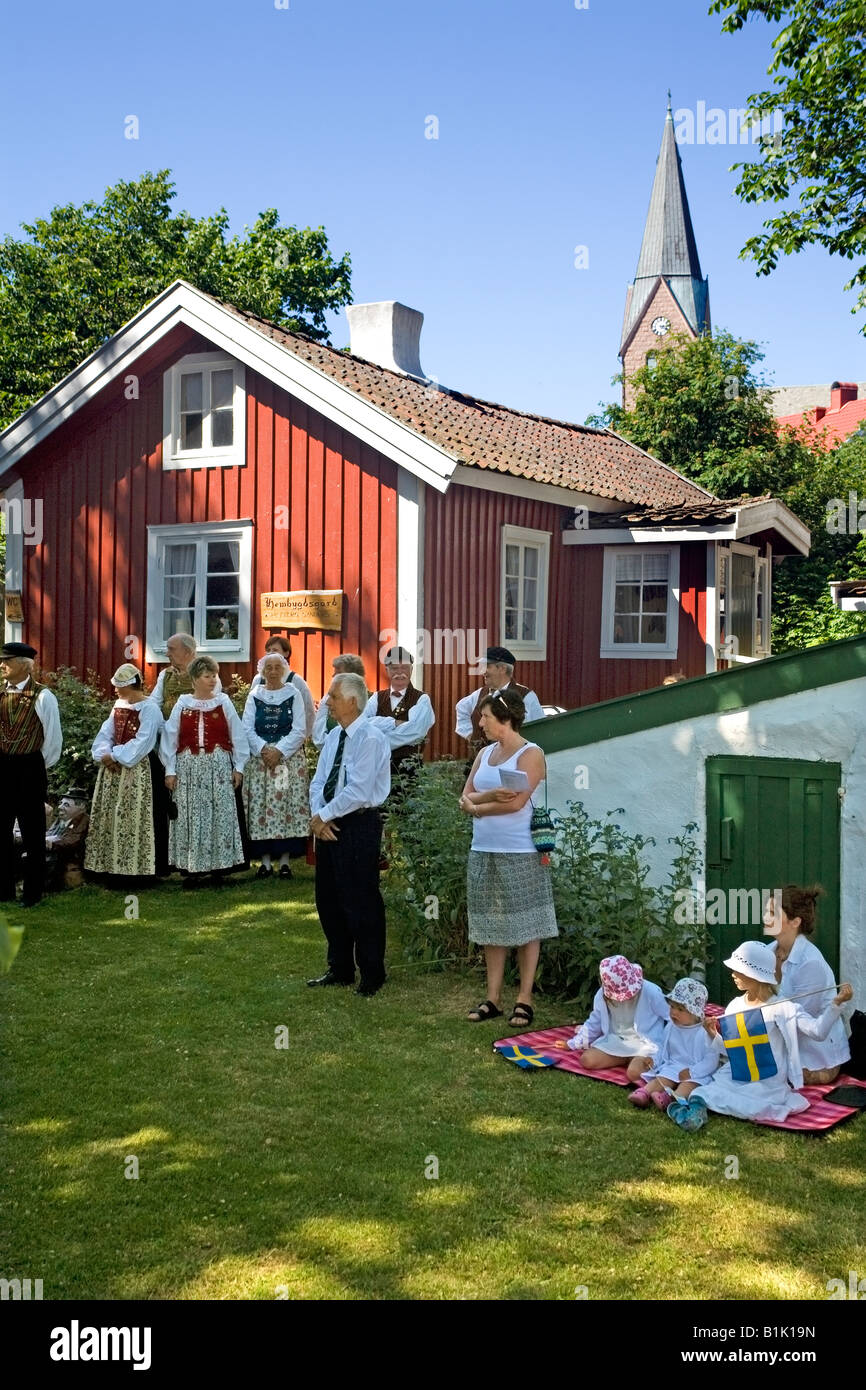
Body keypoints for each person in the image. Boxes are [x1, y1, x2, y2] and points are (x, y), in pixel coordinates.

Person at [459, 688, 557, 1027]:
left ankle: (524, 998)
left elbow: (515, 803)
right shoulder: (484, 753)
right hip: (483, 849)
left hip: (521, 851)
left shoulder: (531, 753)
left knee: (527, 923)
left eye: (485, 716)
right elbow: (466, 795)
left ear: (505, 718)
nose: (481, 722)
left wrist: (476, 807)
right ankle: (493, 997)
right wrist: (482, 800)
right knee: (490, 923)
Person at [692, 941, 853, 1124]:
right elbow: (733, 1051)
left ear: (754, 974)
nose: (733, 975)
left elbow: (817, 1031)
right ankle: (693, 1114)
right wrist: (712, 1033)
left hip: (767, 1082)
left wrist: (836, 1005)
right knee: (702, 1092)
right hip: (741, 1072)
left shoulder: (782, 1007)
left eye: (738, 970)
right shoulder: (735, 1006)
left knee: (754, 1103)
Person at [308, 672, 391, 996]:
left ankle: (372, 972)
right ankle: (339, 967)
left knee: (361, 899)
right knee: (328, 899)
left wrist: (322, 816)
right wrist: (319, 817)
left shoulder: (370, 738)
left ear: (353, 701)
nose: (327, 701)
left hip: (358, 823)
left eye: (333, 696)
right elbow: (319, 781)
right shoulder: (334, 737)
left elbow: (358, 791)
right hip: (328, 824)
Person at [161, 656, 249, 885]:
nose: (212, 680)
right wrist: (170, 770)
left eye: (214, 675)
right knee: (191, 816)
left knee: (218, 814)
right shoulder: (182, 704)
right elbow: (170, 738)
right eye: (207, 676)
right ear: (194, 679)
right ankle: (193, 868)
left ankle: (218, 866)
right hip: (189, 766)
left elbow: (238, 735)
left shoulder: (223, 702)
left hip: (218, 765)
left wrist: (238, 767)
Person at [764, 885, 851, 1085]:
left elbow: (798, 1020)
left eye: (772, 913)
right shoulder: (768, 952)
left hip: (817, 1055)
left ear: (795, 921)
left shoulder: (811, 963)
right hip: (782, 1038)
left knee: (773, 1077)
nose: (765, 918)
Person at [84, 665, 164, 879]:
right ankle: (110, 867)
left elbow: (144, 741)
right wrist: (104, 754)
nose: (116, 690)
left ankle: (137, 869)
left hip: (139, 769)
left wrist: (116, 756)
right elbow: (106, 733)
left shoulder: (150, 708)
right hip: (113, 769)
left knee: (137, 816)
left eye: (120, 686)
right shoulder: (118, 705)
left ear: (131, 684)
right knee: (111, 816)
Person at [0, 641, 63, 908]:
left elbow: (53, 740)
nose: (2, 665)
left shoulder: (43, 696)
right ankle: (4, 890)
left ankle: (33, 893)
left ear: (24, 665)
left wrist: (36, 765)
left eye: (8, 661)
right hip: (1, 767)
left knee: (33, 833)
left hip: (30, 768)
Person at [242, 652, 310, 878]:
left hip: (286, 761)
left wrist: (279, 751)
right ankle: (264, 862)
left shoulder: (294, 693)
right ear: (262, 671)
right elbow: (247, 728)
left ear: (284, 670)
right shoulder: (255, 695)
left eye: (277, 667)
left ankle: (284, 861)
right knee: (262, 806)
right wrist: (263, 749)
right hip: (261, 761)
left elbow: (300, 728)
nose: (272, 671)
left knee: (285, 806)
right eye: (268, 667)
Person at [553, 955, 669, 1081]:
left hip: (645, 1045)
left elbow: (671, 1018)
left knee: (634, 1073)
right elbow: (594, 1022)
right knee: (587, 1060)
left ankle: (633, 1060)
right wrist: (573, 1043)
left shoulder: (651, 992)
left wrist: (667, 1049)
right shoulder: (602, 996)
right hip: (617, 1041)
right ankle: (625, 1058)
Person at [629, 978, 720, 1110]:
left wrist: (692, 1072)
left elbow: (712, 1060)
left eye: (680, 1009)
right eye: (672, 1006)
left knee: (689, 1085)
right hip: (674, 1065)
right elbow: (663, 1049)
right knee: (663, 1078)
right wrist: (654, 1060)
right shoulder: (671, 1027)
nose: (674, 1012)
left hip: (696, 1070)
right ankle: (644, 1093)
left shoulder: (705, 1031)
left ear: (695, 1013)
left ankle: (671, 1098)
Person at [455, 646, 545, 758]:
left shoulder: (526, 696)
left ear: (502, 668)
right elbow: (461, 708)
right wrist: (471, 735)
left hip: (515, 762)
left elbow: (540, 729)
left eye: (487, 666)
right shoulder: (480, 694)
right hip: (481, 763)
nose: (483, 672)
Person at [364, 647, 435, 786]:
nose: (400, 673)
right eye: (395, 668)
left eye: (404, 668)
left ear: (411, 670)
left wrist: (377, 739)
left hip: (408, 770)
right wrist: (393, 723)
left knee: (406, 807)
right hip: (376, 768)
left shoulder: (422, 699)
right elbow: (362, 724)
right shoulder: (376, 698)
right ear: (387, 670)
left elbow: (416, 731)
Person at [250, 635, 315, 738]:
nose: (270, 653)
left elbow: (309, 713)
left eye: (275, 650)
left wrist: (300, 739)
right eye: (268, 650)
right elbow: (251, 714)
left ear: (286, 653)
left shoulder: (297, 681)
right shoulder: (258, 680)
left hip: (290, 742)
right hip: (261, 742)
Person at [312, 654, 368, 748]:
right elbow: (319, 738)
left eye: (338, 673)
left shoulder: (370, 700)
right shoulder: (327, 700)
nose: (333, 675)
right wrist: (335, 747)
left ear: (353, 676)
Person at [45, 788, 90, 890]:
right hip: (56, 849)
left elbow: (72, 841)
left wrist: (51, 844)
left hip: (67, 856)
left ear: (81, 806)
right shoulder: (63, 819)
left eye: (66, 805)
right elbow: (51, 833)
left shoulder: (82, 820)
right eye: (61, 803)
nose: (60, 807)